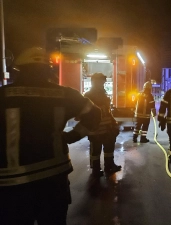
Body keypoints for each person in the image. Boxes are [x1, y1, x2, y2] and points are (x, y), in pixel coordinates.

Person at [0, 47, 102, 225]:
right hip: (54, 179)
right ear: (48, 70)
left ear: (18, 70)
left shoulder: (3, 95)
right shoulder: (65, 94)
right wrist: (71, 136)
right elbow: (94, 114)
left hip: (12, 183)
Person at [84, 73, 121, 177]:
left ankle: (108, 166)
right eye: (101, 82)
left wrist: (114, 123)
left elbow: (108, 112)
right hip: (95, 129)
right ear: (95, 82)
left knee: (108, 148)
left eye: (103, 82)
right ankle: (96, 169)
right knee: (95, 150)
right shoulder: (89, 96)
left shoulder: (103, 95)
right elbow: (85, 114)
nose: (103, 84)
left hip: (107, 128)